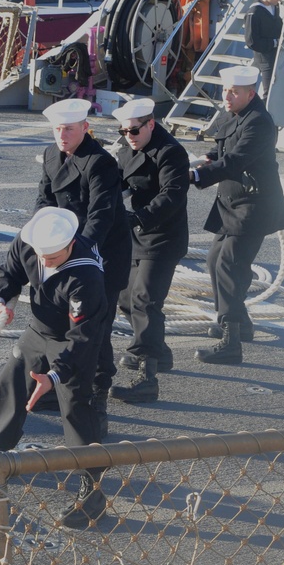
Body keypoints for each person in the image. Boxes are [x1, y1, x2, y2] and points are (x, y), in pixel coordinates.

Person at [0, 206, 108, 528]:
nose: (44, 262)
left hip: (73, 339)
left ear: (70, 245)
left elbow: (83, 337)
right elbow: (10, 272)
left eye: (53, 258)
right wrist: (0, 300)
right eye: (41, 255)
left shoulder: (87, 274)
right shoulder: (31, 242)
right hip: (39, 328)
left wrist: (54, 376)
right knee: (11, 381)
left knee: (75, 405)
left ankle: (92, 490)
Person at [34, 97, 131, 438]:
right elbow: (45, 202)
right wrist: (41, 240)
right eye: (58, 129)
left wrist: (77, 252)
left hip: (101, 255)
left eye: (70, 129)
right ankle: (55, 385)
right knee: (56, 322)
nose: (62, 135)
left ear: (85, 129)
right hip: (65, 251)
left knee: (95, 331)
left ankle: (97, 397)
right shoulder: (51, 156)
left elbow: (101, 215)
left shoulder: (100, 163)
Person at [189, 65, 284, 364]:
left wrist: (196, 176)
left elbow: (237, 159)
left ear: (251, 93)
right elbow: (223, 149)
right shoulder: (233, 113)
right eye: (225, 90)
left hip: (253, 206)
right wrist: (207, 157)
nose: (227, 96)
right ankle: (238, 324)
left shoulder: (260, 122)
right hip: (232, 202)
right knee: (214, 260)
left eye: (234, 92)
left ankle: (231, 342)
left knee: (229, 266)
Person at [107, 98, 189, 403]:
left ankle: (147, 377)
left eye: (134, 130)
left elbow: (172, 196)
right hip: (138, 236)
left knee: (145, 300)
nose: (129, 135)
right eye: (124, 131)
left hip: (163, 237)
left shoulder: (171, 153)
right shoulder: (131, 147)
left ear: (151, 124)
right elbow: (118, 178)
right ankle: (161, 353)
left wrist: (138, 216)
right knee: (126, 297)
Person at [245, 0, 284, 100]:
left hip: (274, 52)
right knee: (268, 90)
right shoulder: (254, 12)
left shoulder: (274, 6)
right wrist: (273, 43)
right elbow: (251, 41)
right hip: (264, 56)